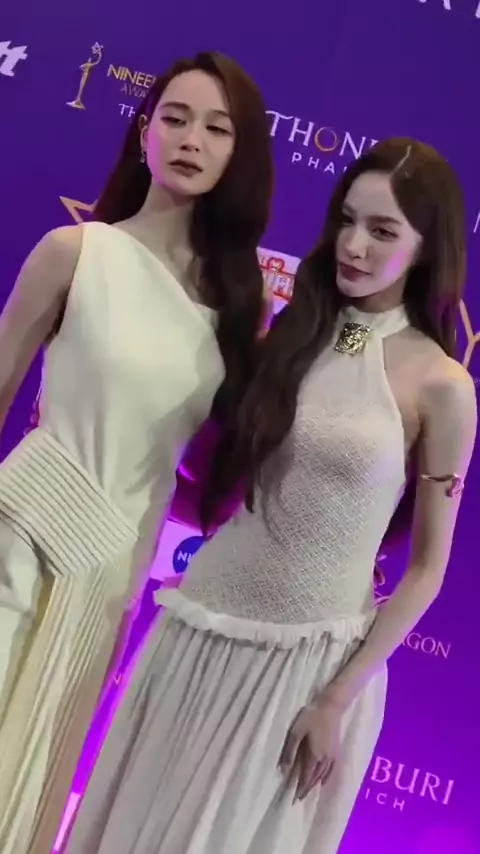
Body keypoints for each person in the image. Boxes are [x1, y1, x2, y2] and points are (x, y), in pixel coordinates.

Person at [65, 138, 477, 854]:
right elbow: (213, 473)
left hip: (305, 671)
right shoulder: (292, 331)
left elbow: (426, 571)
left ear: (425, 247)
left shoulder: (444, 385)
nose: (354, 245)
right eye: (347, 220)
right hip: (197, 628)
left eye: (383, 231)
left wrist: (336, 698)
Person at [0, 50, 273, 854]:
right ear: (144, 133)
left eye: (216, 128)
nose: (191, 140)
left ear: (238, 154)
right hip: (21, 537)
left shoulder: (238, 309)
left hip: (114, 574)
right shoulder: (76, 251)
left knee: (36, 775)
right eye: (175, 119)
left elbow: (197, 473)